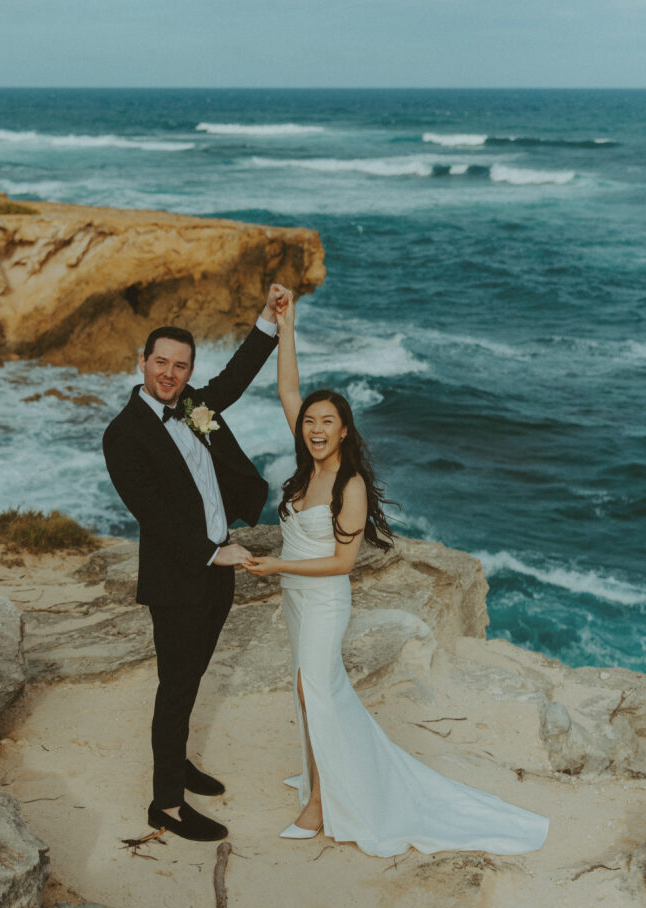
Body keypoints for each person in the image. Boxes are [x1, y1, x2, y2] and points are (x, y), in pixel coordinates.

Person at [244, 296, 549, 857]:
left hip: (323, 598)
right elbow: (289, 390)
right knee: (309, 690)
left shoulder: (349, 486)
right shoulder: (307, 461)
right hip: (294, 597)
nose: (314, 428)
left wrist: (278, 564)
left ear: (343, 432)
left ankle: (318, 804)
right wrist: (287, 325)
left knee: (317, 690)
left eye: (326, 423)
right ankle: (319, 777)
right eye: (310, 422)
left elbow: (341, 564)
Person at [102, 284, 291, 843]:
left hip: (217, 570)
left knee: (191, 678)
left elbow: (234, 380)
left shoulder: (191, 406)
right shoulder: (123, 434)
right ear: (142, 362)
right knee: (176, 686)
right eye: (160, 362)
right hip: (180, 578)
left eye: (180, 366)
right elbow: (153, 514)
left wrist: (266, 320)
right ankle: (166, 804)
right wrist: (214, 552)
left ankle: (177, 763)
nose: (169, 373)